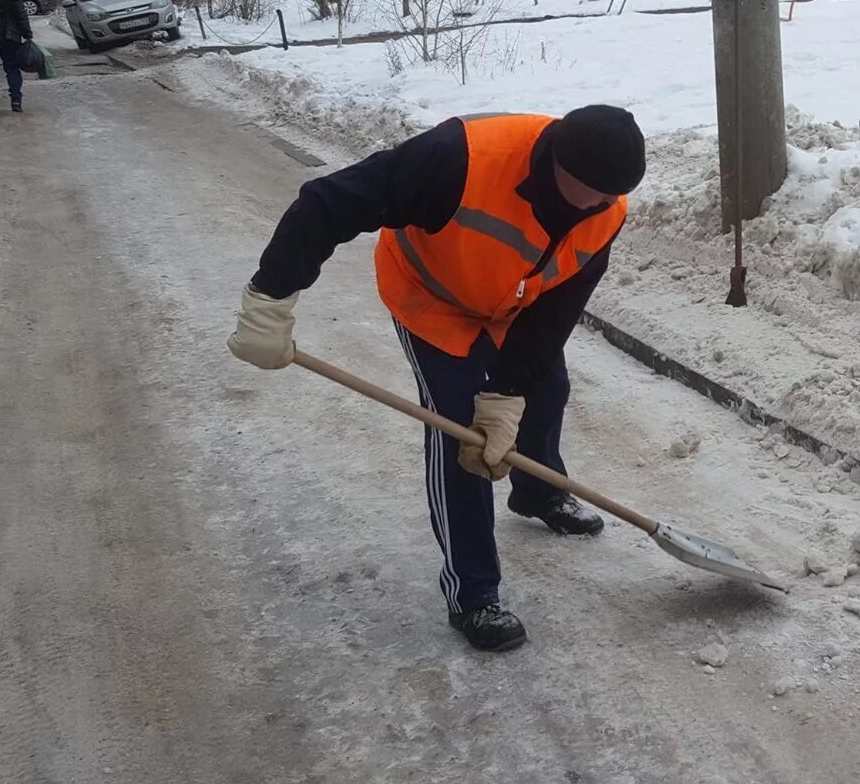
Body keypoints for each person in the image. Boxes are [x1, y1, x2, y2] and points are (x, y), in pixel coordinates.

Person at [227, 106, 645, 652]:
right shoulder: (459, 158)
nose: (597, 205)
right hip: (433, 297)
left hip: (515, 300)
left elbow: (556, 312)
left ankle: (539, 493)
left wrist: (509, 392)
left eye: (608, 197)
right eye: (588, 191)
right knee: (462, 429)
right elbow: (327, 203)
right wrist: (270, 299)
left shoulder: (606, 210)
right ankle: (474, 594)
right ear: (556, 162)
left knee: (546, 390)